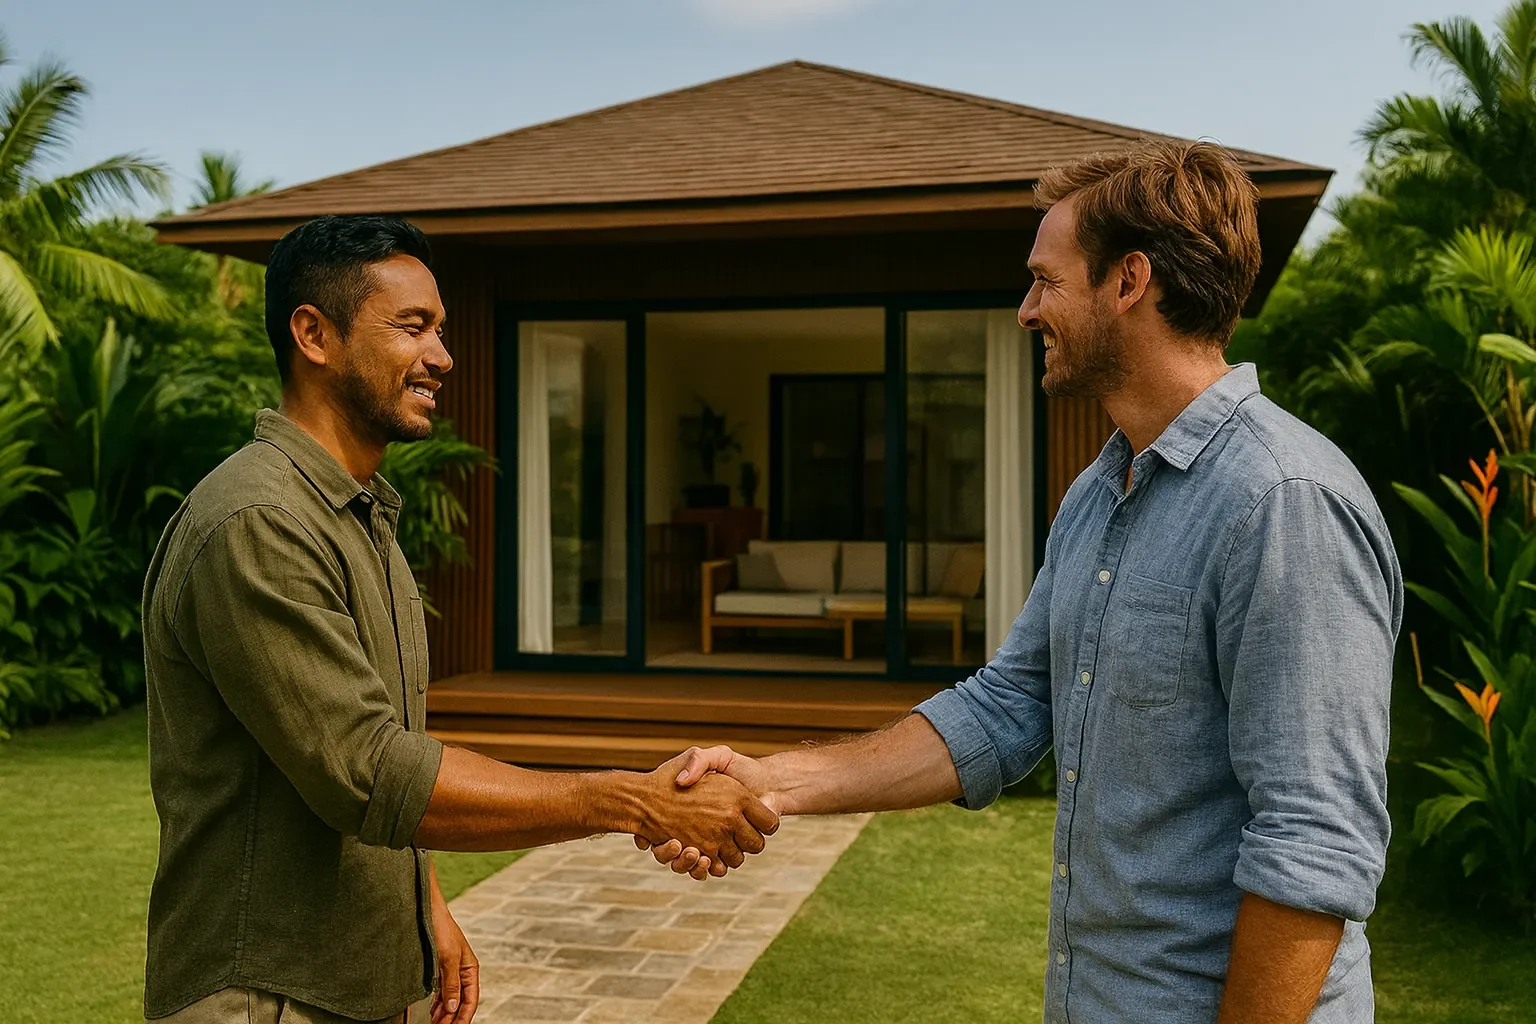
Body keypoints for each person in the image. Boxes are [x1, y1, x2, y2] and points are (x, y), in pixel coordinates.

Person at [647, 141, 1401, 1024]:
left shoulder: (1283, 503)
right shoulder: (1098, 491)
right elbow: (1010, 704)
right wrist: (768, 780)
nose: (1024, 310)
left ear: (1129, 282)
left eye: (1046, 281)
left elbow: (1314, 841)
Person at [141, 215, 777, 1024]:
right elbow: (368, 770)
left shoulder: (358, 518)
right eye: (413, 327)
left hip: (358, 980)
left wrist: (425, 904)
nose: (442, 356)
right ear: (314, 335)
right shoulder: (257, 522)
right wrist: (635, 802)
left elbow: (381, 743)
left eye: (441, 329)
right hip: (266, 993)